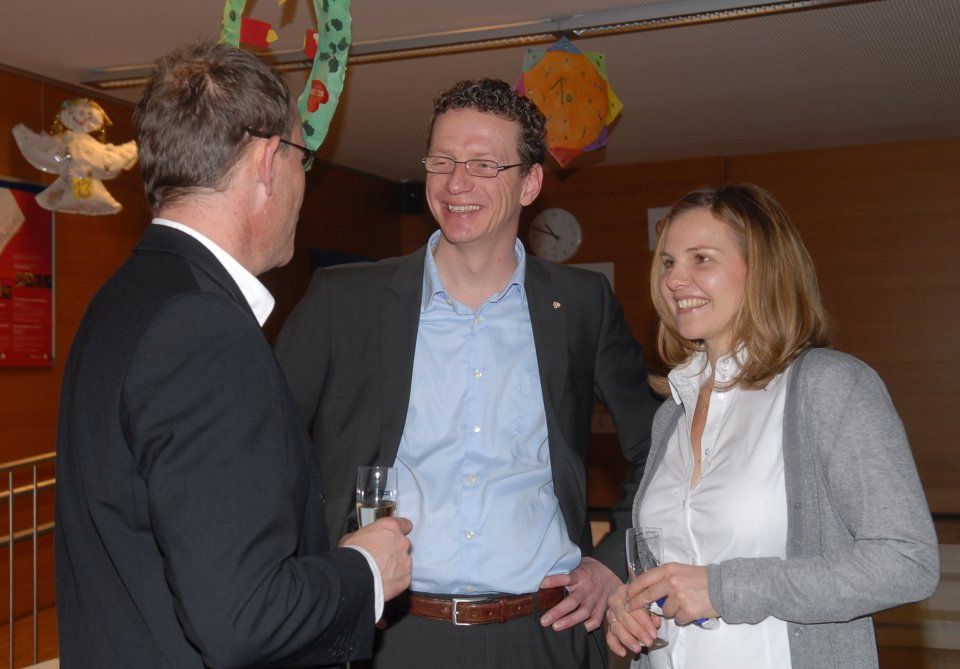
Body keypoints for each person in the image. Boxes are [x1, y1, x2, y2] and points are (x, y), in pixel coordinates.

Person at [274, 78, 659, 669]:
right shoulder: (344, 301)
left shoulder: (581, 305)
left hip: (545, 635)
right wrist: (316, 571)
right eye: (442, 161)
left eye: (483, 165)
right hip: (389, 638)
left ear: (530, 183)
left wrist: (612, 563)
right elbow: (263, 447)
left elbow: (659, 444)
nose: (456, 184)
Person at [54, 41, 412, 668]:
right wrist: (366, 570)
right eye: (304, 158)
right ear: (270, 160)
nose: (304, 183)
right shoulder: (202, 329)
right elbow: (242, 617)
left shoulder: (123, 299)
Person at [604, 184, 939, 668]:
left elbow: (907, 562)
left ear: (762, 270)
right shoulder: (671, 413)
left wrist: (723, 589)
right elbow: (673, 572)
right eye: (668, 262)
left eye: (701, 259)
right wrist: (632, 603)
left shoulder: (829, 387)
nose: (674, 279)